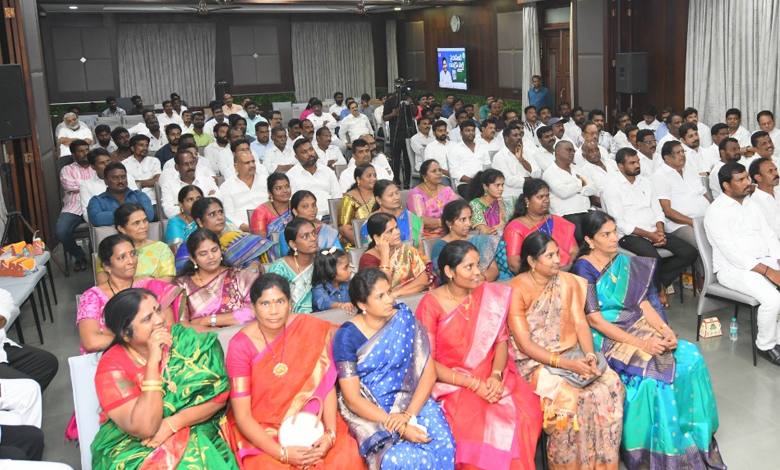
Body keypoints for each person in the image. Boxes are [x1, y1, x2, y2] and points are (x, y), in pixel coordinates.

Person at [570, 211, 725, 470]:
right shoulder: (583, 268)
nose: (613, 238)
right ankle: (657, 448)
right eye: (605, 235)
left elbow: (643, 304)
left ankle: (693, 433)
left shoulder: (625, 262)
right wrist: (642, 344)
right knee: (656, 375)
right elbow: (595, 320)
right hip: (605, 336)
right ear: (589, 239)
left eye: (614, 232)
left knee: (690, 357)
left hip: (636, 324)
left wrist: (666, 331)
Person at [415, 241, 543, 470]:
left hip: (492, 374)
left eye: (477, 265)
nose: (477, 273)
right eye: (469, 267)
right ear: (449, 271)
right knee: (471, 431)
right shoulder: (430, 304)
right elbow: (428, 362)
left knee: (524, 416)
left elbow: (501, 341)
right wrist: (474, 385)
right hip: (451, 383)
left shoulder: (487, 295)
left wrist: (495, 375)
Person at [507, 231, 624, 469]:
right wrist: (566, 364)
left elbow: (580, 322)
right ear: (531, 261)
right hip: (534, 362)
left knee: (610, 384)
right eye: (548, 256)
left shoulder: (566, 281)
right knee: (568, 397)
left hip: (572, 353)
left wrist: (589, 356)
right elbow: (524, 345)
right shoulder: (516, 290)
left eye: (556, 253)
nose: (557, 260)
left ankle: (601, 463)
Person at [223, 274, 364, 469]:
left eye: (280, 301)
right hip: (262, 429)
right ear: (253, 308)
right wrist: (282, 454)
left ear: (290, 303)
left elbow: (324, 385)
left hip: (314, 418)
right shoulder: (240, 346)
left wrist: (329, 435)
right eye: (265, 304)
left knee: (344, 457)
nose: (273, 311)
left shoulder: (307, 327)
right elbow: (243, 416)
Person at [90, 289, 238, 470]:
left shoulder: (185, 340)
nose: (160, 320)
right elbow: (145, 428)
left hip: (196, 426)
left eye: (158, 310)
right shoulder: (111, 367)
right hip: (134, 444)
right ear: (126, 334)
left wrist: (173, 423)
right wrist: (153, 362)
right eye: (146, 319)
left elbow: (219, 396)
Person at [330, 267, 456, 470]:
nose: (389, 299)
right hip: (374, 411)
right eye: (380, 296)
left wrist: (408, 416)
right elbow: (352, 399)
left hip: (414, 402)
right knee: (396, 459)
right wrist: (399, 426)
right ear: (362, 304)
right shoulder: (347, 337)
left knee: (444, 445)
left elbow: (428, 371)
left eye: (389, 292)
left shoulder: (403, 319)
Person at [705, 161, 780, 365]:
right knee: (772, 299)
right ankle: (766, 346)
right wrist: (768, 271)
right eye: (741, 180)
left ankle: (777, 336)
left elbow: (769, 234)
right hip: (733, 269)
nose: (747, 183)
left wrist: (778, 260)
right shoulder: (716, 212)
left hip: (762, 261)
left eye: (747, 177)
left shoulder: (751, 204)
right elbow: (732, 252)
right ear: (727, 185)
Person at [603, 148, 698, 306]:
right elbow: (619, 223)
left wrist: (659, 230)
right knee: (654, 258)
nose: (637, 165)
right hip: (630, 236)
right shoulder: (612, 188)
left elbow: (657, 210)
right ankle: (659, 291)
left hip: (655, 230)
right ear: (620, 166)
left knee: (689, 253)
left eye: (638, 161)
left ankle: (654, 285)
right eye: (632, 163)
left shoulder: (645, 182)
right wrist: (649, 235)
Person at [80, 234, 184, 355]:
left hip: (154, 355)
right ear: (107, 266)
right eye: (122, 257)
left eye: (133, 254)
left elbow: (168, 330)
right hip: (108, 359)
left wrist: (113, 333)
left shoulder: (151, 286)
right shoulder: (92, 297)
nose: (131, 261)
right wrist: (142, 339)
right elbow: (91, 342)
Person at [174, 229, 258, 329]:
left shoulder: (240, 276)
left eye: (214, 250)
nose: (211, 256)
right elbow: (183, 327)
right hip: (204, 341)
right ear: (193, 258)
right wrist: (218, 333)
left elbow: (257, 310)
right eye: (203, 253)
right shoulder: (182, 285)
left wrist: (208, 320)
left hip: (245, 336)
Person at [652, 141, 711, 276]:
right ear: (666, 157)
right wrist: (693, 222)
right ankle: (707, 278)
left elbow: (704, 195)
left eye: (682, 151)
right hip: (680, 225)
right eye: (677, 153)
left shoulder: (690, 170)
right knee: (700, 242)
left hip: (703, 219)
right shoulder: (660, 176)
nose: (682, 155)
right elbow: (667, 210)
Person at [175, 197, 277, 272]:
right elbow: (184, 276)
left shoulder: (237, 240)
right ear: (199, 221)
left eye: (220, 212)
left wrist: (248, 271)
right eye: (212, 214)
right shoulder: (188, 248)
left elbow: (253, 263)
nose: (219, 217)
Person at [503, 179, 577, 272]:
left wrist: (567, 271)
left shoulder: (557, 221)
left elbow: (574, 251)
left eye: (547, 196)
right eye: (540, 197)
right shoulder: (515, 228)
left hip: (565, 272)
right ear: (527, 200)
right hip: (535, 278)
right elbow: (514, 264)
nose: (546, 200)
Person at [431, 199, 512, 281]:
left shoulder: (479, 240)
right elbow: (445, 275)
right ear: (449, 223)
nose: (469, 224)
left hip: (484, 284)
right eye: (463, 220)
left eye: (469, 218)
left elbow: (494, 270)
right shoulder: (440, 246)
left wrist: (480, 278)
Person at [95, 203, 175, 285]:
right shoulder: (109, 250)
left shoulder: (160, 248)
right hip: (120, 297)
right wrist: (141, 282)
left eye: (145, 221)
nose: (143, 226)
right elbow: (103, 284)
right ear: (121, 228)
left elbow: (167, 280)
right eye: (136, 223)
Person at [358, 213, 434, 296]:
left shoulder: (406, 250)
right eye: (390, 231)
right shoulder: (368, 259)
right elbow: (381, 288)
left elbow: (424, 280)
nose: (397, 232)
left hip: (414, 298)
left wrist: (398, 293)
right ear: (377, 237)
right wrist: (385, 254)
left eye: (396, 227)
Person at [57, 139, 94, 272]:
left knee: (97, 226)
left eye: (87, 150)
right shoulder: (67, 170)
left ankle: (94, 257)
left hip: (93, 205)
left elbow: (102, 185)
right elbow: (69, 186)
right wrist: (90, 186)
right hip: (73, 207)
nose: (85, 153)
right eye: (81, 151)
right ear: (74, 154)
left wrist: (80, 186)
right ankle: (79, 256)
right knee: (61, 232)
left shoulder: (97, 167)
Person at [267, 218, 318, 313]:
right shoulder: (280, 269)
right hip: (293, 320)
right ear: (293, 244)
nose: (313, 239)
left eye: (314, 233)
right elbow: (276, 303)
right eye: (305, 236)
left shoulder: (323, 261)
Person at [220, 141, 270, 231]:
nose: (252, 165)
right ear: (237, 166)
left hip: (269, 227)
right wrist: (249, 228)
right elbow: (229, 216)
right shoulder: (226, 187)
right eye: (247, 163)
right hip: (243, 232)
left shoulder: (266, 180)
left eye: (253, 161)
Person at [286, 139, 342, 221]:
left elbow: (337, 197)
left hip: (332, 217)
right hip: (307, 221)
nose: (310, 154)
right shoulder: (291, 176)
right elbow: (292, 204)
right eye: (304, 152)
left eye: (311, 149)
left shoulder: (327, 171)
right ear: (297, 157)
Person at [80, 148, 139, 224]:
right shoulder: (86, 185)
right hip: (105, 227)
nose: (107, 165)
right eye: (101, 163)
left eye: (108, 161)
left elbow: (137, 203)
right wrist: (124, 215)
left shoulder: (126, 178)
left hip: (132, 224)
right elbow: (88, 215)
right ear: (93, 167)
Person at [359, 180, 424, 248]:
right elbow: (371, 251)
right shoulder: (372, 223)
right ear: (379, 199)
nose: (396, 197)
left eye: (397, 193)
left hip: (413, 256)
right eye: (391, 195)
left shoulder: (410, 217)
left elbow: (420, 244)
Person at [278, 190, 343, 256]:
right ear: (295, 211)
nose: (312, 209)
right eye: (305, 206)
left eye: (314, 205)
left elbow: (339, 256)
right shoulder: (285, 234)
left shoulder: (328, 232)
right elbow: (287, 260)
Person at [160, 148, 221, 219]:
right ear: (176, 167)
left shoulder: (207, 180)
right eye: (185, 164)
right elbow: (169, 212)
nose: (190, 167)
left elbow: (219, 201)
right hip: (183, 225)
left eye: (192, 163)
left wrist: (183, 206)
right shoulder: (168, 186)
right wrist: (205, 199)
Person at [407, 160, 460, 238]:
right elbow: (421, 220)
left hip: (451, 232)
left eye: (440, 170)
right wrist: (447, 222)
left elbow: (459, 210)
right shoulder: (416, 194)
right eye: (434, 171)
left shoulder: (447, 190)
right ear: (424, 176)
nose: (438, 173)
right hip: (429, 237)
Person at [492, 125, 541, 198]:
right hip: (510, 197)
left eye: (520, 135)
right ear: (506, 139)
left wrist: (522, 160)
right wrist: (531, 180)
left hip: (529, 195)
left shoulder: (527, 153)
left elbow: (537, 174)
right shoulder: (499, 157)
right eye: (515, 135)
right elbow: (509, 180)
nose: (519, 137)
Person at [338, 164, 377, 249]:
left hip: (381, 241)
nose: (373, 179)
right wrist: (366, 245)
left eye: (375, 175)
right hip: (356, 244)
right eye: (369, 176)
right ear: (358, 179)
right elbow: (344, 229)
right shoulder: (349, 199)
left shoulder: (379, 194)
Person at [466, 169, 514, 235]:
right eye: (497, 185)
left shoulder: (506, 202)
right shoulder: (475, 204)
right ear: (485, 186)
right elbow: (482, 230)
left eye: (502, 185)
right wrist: (502, 229)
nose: (501, 189)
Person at [250, 173, 293, 238]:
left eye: (287, 186)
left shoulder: (296, 206)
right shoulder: (260, 213)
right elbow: (261, 243)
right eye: (279, 188)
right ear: (270, 192)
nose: (285, 191)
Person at [312, 248, 354, 313]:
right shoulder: (319, 289)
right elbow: (325, 302)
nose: (350, 270)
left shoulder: (349, 284)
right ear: (330, 271)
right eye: (345, 268)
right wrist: (340, 305)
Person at [749, 158, 780, 238]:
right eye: (770, 171)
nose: (776, 173)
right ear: (758, 177)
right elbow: (773, 232)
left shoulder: (777, 193)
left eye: (775, 170)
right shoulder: (755, 203)